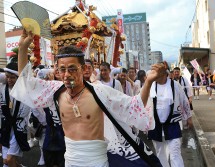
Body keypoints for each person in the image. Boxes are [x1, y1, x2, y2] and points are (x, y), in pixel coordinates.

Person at [11, 30, 165, 167]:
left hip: (97, 161)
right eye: (62, 69)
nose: (67, 75)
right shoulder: (55, 92)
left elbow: (134, 105)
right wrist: (23, 48)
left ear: (83, 69)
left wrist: (149, 81)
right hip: (70, 160)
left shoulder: (99, 92)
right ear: (57, 70)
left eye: (72, 69)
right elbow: (26, 84)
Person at [148, 62, 192, 167]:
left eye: (156, 73)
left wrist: (189, 118)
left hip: (172, 123)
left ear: (163, 73)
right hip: (155, 125)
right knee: (160, 152)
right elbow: (142, 103)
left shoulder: (175, 85)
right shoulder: (150, 86)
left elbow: (184, 101)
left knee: (175, 153)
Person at [0, 63, 31, 167]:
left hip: (18, 126)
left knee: (9, 160)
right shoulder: (2, 87)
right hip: (5, 127)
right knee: (6, 161)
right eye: (7, 77)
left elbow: (25, 110)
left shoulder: (24, 90)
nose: (9, 80)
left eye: (12, 77)